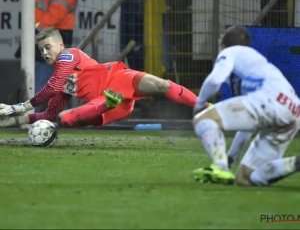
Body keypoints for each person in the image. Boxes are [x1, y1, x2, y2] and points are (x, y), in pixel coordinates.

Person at [0, 27, 210, 129]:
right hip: (104, 103)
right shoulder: (61, 81)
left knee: (161, 84)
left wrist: (20, 106)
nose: (45, 53)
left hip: (118, 78)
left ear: (60, 45)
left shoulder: (68, 55)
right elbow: (48, 113)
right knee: (64, 118)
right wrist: (13, 120)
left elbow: (53, 86)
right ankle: (108, 103)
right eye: (41, 49)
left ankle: (206, 107)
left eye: (48, 47)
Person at [191, 25, 300, 185]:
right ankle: (296, 163)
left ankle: (218, 166)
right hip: (293, 111)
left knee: (203, 120)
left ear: (223, 46)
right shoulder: (254, 64)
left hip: (269, 99)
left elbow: (214, 80)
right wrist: (231, 161)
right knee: (245, 178)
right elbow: (247, 127)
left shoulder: (230, 52)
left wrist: (199, 105)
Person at [15, 0, 78, 112]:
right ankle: (33, 116)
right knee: (39, 81)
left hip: (51, 38)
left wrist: (36, 31)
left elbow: (56, 13)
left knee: (43, 82)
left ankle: (30, 116)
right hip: (44, 38)